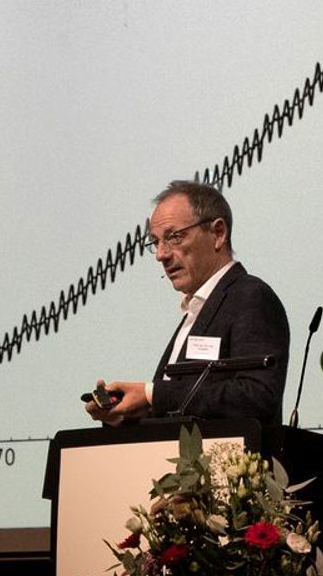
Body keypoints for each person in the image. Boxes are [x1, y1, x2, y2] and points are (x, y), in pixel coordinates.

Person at [85, 180, 290, 425]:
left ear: (218, 233)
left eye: (174, 237)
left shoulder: (251, 297)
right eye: (156, 242)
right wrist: (123, 417)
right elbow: (181, 416)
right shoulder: (197, 309)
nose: (161, 254)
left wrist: (152, 394)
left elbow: (258, 397)